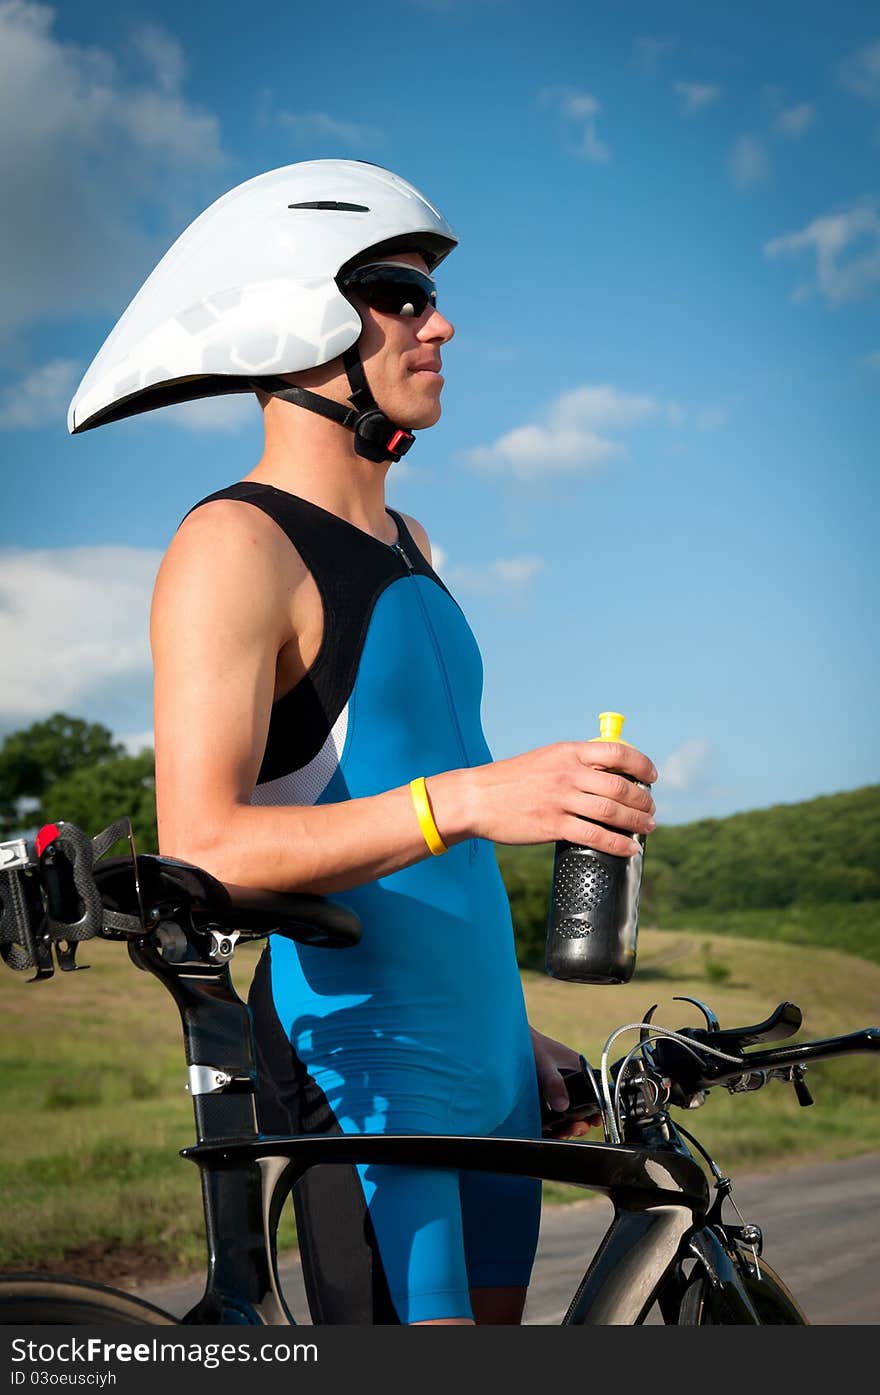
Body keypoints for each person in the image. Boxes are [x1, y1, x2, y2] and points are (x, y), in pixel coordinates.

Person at [68, 159, 658, 1326]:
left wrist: (514, 1030)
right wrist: (473, 798)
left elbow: (419, 848)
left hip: (485, 1072)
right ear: (290, 318)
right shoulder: (234, 546)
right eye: (395, 291)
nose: (437, 322)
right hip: (367, 1076)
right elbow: (206, 843)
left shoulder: (412, 543)